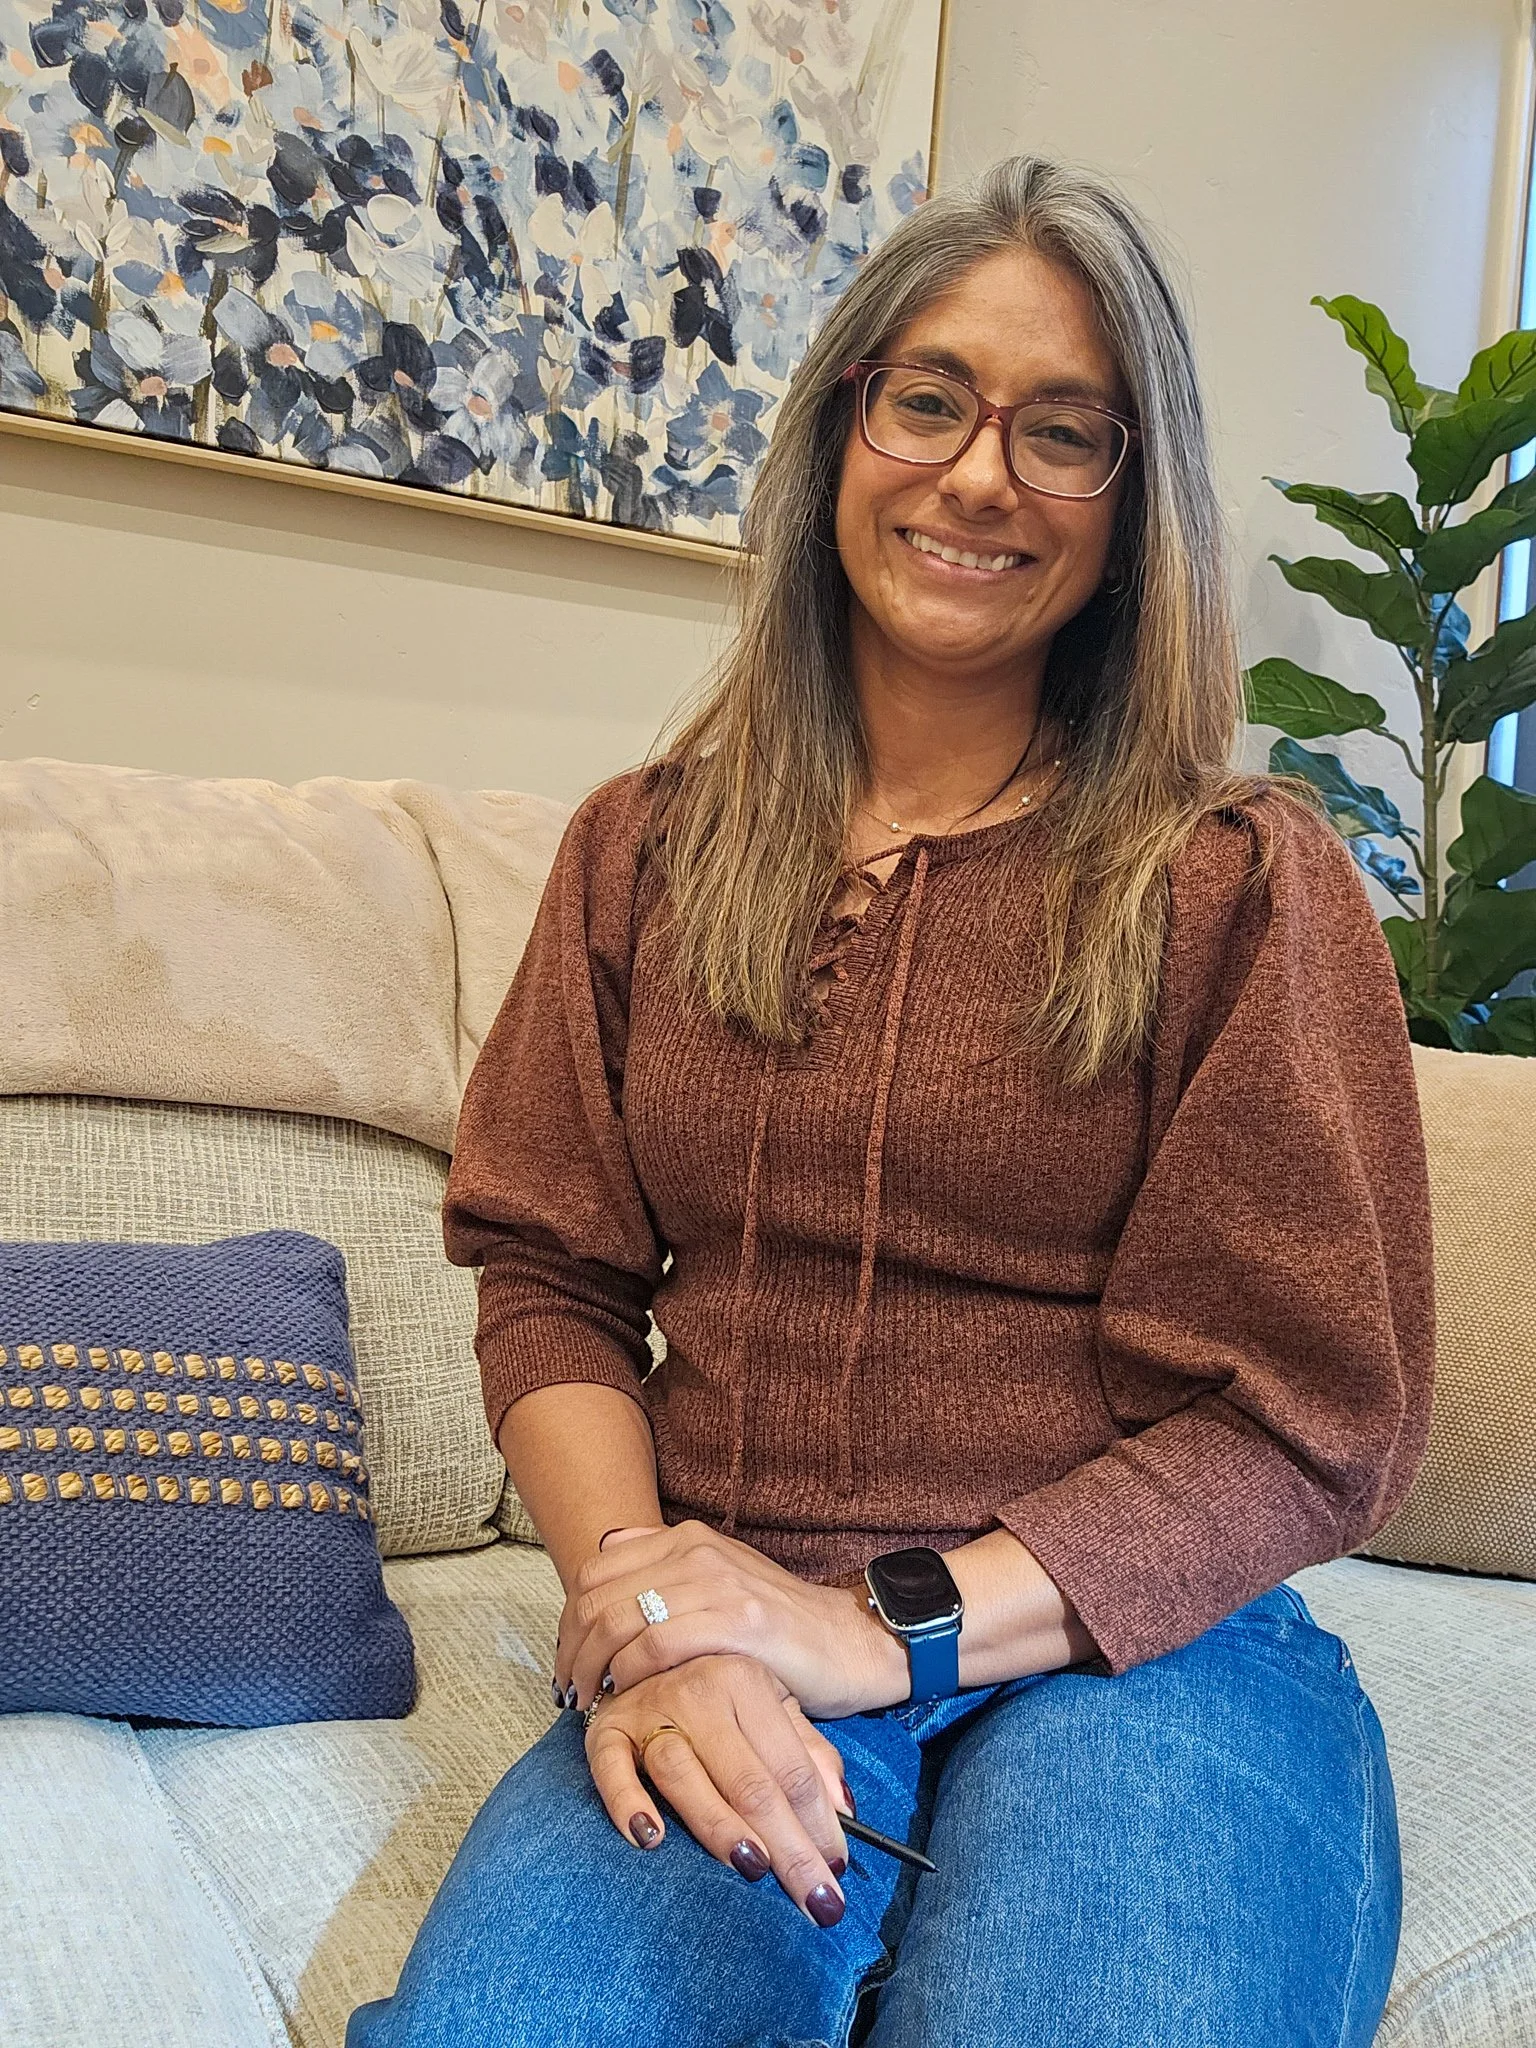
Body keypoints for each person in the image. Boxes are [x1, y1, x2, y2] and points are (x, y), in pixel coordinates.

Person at [347, 155, 1433, 2048]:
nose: (980, 472)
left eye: (1066, 430)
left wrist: (881, 1632)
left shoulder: (1237, 884)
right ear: (841, 431)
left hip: (1141, 1655)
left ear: (1135, 502)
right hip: (721, 1626)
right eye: (927, 396)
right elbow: (550, 1280)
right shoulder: (643, 853)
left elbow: (1306, 1420)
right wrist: (649, 1616)